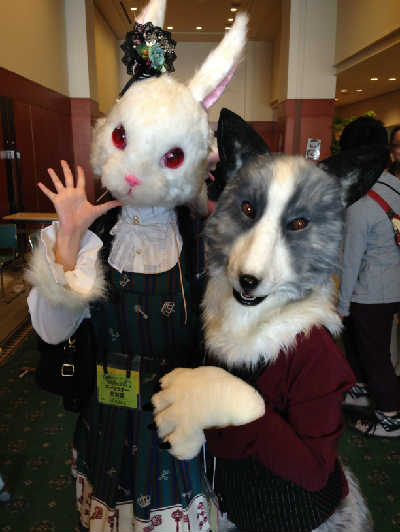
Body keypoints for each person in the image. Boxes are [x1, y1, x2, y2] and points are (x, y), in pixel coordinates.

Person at [25, 0, 248, 529]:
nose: (132, 171)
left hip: (179, 416)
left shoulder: (204, 239)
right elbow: (52, 333)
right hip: (105, 413)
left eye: (169, 156)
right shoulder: (90, 232)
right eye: (124, 140)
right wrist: (68, 241)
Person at [337, 117, 400, 437]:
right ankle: (360, 391)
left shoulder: (360, 203)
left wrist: (341, 305)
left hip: (371, 291)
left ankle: (391, 417)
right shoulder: (394, 184)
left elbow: (350, 262)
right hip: (391, 285)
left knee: (375, 355)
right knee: (361, 344)